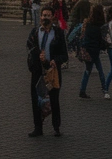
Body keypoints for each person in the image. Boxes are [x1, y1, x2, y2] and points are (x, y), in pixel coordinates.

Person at [26, 7, 68, 137]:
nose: (45, 18)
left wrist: (56, 60)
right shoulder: (34, 32)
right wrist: (38, 56)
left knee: (54, 99)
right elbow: (30, 47)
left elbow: (64, 54)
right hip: (38, 71)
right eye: (44, 15)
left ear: (52, 17)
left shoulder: (58, 33)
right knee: (36, 99)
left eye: (48, 15)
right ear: (40, 17)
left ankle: (56, 127)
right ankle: (38, 127)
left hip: (52, 71)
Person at [78, 3, 108, 99]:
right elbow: (100, 40)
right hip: (94, 51)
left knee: (88, 71)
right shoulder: (99, 27)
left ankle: (82, 90)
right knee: (100, 71)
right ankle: (104, 88)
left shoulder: (88, 24)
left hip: (87, 50)